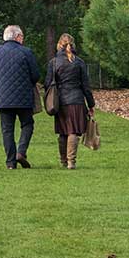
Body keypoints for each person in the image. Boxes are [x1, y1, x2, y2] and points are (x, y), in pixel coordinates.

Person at [0, 25, 40, 169]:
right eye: (22, 37)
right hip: (24, 98)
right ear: (18, 37)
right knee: (27, 124)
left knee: (7, 130)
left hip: (2, 98)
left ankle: (10, 162)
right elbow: (35, 75)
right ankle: (21, 152)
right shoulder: (26, 52)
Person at [45, 33, 96, 169]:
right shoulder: (79, 62)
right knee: (73, 131)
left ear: (59, 45)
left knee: (63, 132)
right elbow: (86, 86)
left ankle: (63, 160)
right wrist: (91, 104)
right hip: (77, 100)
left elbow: (47, 83)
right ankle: (71, 161)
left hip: (60, 101)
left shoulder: (54, 62)